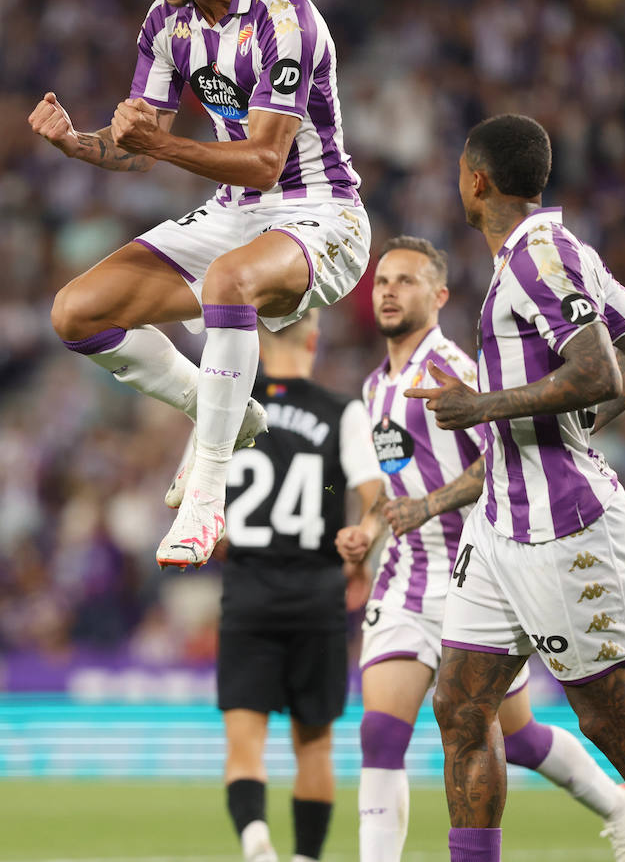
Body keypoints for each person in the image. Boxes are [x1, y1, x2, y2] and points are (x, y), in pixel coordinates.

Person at [408, 115, 625, 862]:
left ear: (476, 179)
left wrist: (480, 407)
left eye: (460, 169)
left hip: (563, 530)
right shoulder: (554, 253)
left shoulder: (538, 259)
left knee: (611, 722)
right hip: (498, 527)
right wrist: (570, 427)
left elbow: (602, 368)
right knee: (460, 705)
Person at [30, 0, 371, 570]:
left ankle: (208, 495)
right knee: (77, 313)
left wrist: (159, 144)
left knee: (228, 279)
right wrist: (78, 143)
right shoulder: (166, 25)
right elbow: (138, 150)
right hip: (233, 214)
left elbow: (266, 164)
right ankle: (227, 412)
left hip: (320, 215)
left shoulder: (284, 19)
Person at [335, 236, 625, 862]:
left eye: (406, 280)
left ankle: (620, 806)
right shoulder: (375, 387)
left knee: (524, 739)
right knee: (379, 734)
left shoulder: (458, 371)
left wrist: (430, 505)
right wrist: (370, 529)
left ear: (440, 295)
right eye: (382, 281)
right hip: (404, 577)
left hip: (474, 573)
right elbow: (394, 485)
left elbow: (507, 458)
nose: (390, 290)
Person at [204, 309, 383, 862]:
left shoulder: (224, 404)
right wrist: (362, 544)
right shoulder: (340, 410)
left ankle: (258, 848)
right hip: (317, 592)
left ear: (259, 336)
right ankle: (305, 858)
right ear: (314, 335)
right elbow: (374, 498)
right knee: (315, 746)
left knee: (243, 746)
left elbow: (197, 497)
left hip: (248, 590)